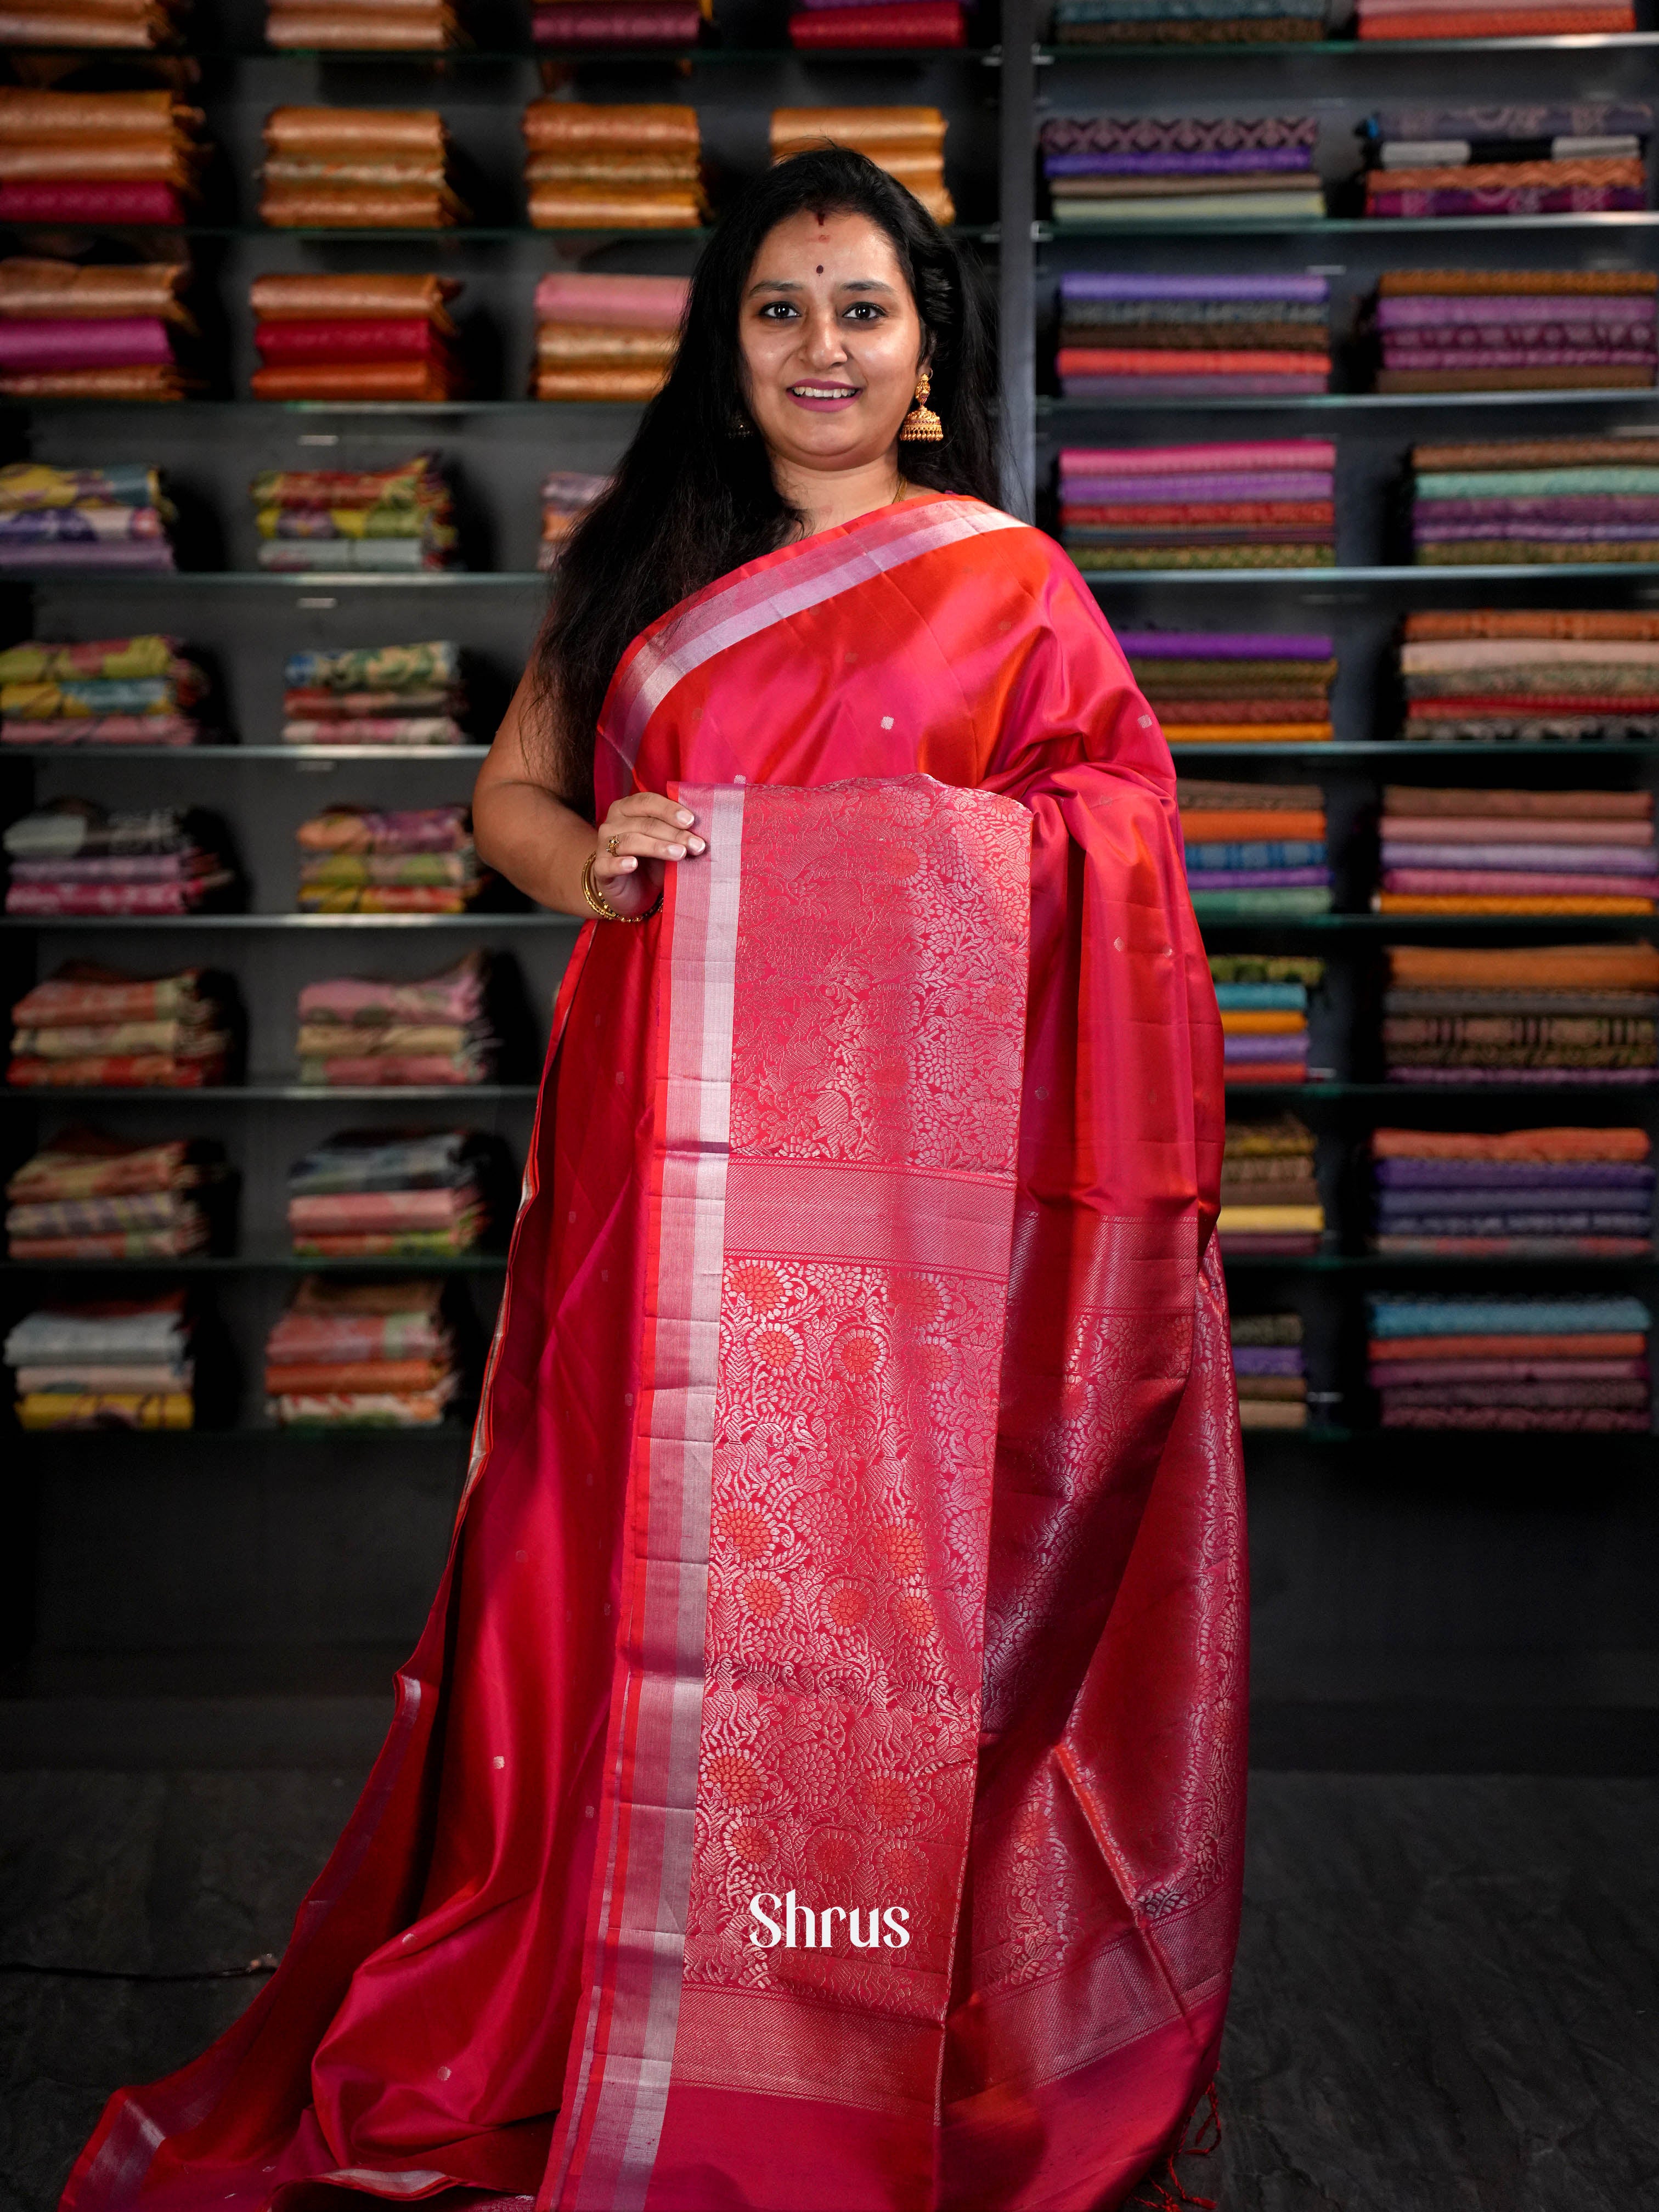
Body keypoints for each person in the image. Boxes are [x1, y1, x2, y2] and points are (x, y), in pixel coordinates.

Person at [64, 148, 1246, 2212]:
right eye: (778, 307)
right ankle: (590, 2001)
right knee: (593, 1580)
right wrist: (594, 857)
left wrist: (923, 861)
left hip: (896, 1233)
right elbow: (513, 796)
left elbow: (1114, 833)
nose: (820, 348)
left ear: (926, 353)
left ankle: (827, 2018)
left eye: (860, 308)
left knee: (865, 1621)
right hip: (659, 1182)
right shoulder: (636, 570)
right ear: (726, 343)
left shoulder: (1011, 587)